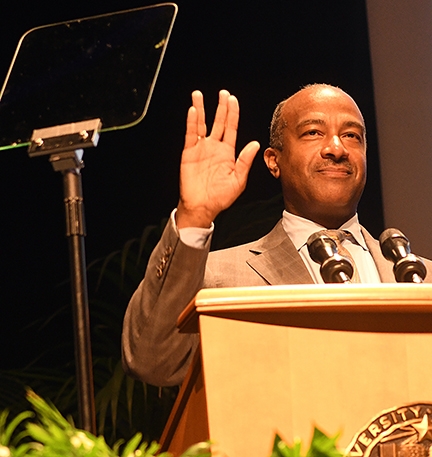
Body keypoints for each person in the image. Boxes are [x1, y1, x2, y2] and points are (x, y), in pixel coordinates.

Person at [121, 83, 432, 387]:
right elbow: (152, 361)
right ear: (274, 161)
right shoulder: (219, 278)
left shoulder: (423, 279)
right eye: (313, 132)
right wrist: (194, 217)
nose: (337, 149)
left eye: (351, 136)